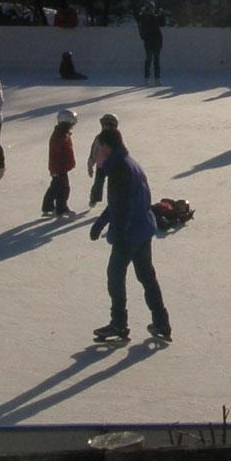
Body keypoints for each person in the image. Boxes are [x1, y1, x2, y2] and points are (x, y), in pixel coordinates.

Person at [86, 126, 173, 343]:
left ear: (106, 147)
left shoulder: (118, 169)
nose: (97, 152)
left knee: (115, 276)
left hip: (130, 232)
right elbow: (119, 201)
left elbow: (122, 205)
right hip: (143, 229)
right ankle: (161, 321)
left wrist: (119, 233)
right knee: (146, 276)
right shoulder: (128, 163)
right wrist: (101, 222)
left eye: (99, 147)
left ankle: (119, 323)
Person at [43, 109, 78, 216]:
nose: (73, 125)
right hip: (59, 168)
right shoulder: (60, 136)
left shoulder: (63, 133)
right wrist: (57, 169)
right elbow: (57, 154)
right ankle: (60, 208)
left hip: (60, 167)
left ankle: (49, 207)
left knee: (56, 187)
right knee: (63, 188)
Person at [87, 111, 121, 204]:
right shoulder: (99, 138)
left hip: (114, 165)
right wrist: (90, 165)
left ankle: (115, 201)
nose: (107, 128)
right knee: (98, 183)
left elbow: (121, 152)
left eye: (110, 126)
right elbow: (93, 152)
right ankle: (94, 198)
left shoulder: (116, 138)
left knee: (114, 184)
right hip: (101, 165)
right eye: (106, 125)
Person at [137, 1, 166, 81]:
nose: (152, 10)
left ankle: (157, 78)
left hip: (156, 41)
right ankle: (147, 77)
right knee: (149, 59)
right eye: (150, 8)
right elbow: (142, 24)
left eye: (152, 8)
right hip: (149, 41)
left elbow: (162, 23)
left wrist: (162, 15)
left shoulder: (154, 17)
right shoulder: (145, 17)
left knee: (156, 60)